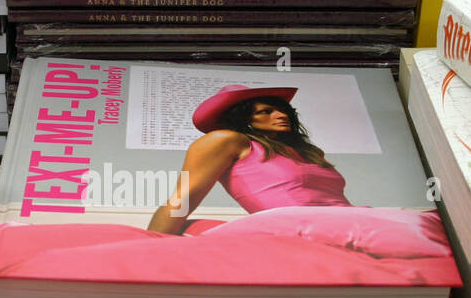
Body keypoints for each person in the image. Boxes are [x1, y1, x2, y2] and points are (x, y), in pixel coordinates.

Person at [148, 84, 350, 235]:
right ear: (242, 119)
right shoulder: (226, 140)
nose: (281, 115)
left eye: (283, 110)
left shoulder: (310, 152)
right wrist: (153, 249)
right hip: (302, 229)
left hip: (351, 221)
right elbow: (182, 198)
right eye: (266, 111)